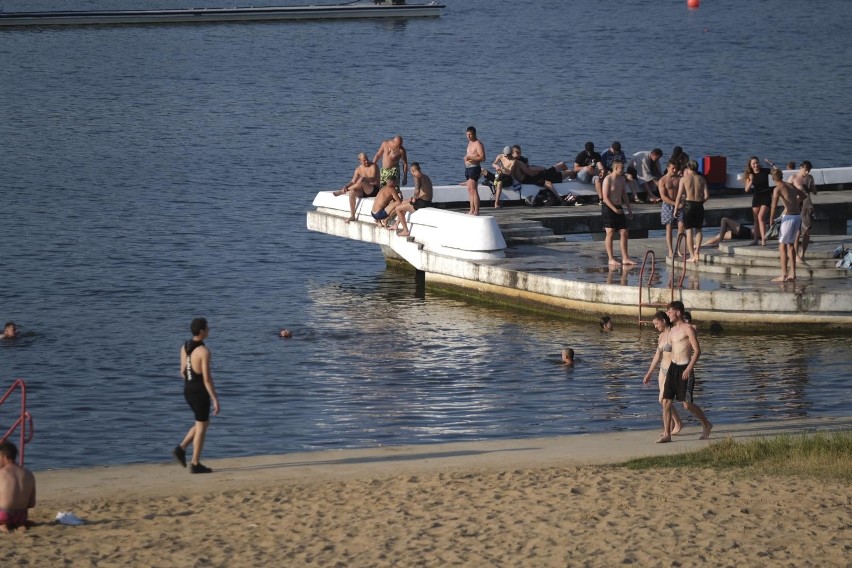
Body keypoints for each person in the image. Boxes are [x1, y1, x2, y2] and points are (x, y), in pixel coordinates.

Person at [658, 301, 712, 443]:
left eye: (670, 311)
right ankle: (667, 434)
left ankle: (706, 424)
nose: (668, 313)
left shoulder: (688, 329)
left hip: (685, 368)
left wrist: (689, 368)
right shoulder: (672, 331)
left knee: (686, 405)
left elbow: (697, 351)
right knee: (666, 401)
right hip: (673, 369)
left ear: (678, 312)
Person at [173, 317, 220, 474]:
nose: (209, 330)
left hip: (187, 389)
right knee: (201, 426)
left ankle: (181, 449)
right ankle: (195, 463)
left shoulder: (185, 346)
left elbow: (182, 371)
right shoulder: (204, 352)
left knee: (202, 423)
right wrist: (215, 399)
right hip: (199, 392)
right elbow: (207, 378)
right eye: (207, 327)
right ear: (201, 331)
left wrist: (191, 382)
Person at [642, 311, 683, 438]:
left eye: (656, 323)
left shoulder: (673, 334)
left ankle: (674, 426)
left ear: (664, 321)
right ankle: (675, 424)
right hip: (662, 371)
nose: (655, 326)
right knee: (664, 401)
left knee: (663, 399)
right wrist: (649, 373)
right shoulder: (661, 336)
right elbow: (657, 356)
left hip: (671, 370)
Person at [769, 168, 807, 282]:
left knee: (782, 246)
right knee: (790, 245)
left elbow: (774, 206)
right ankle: (793, 274)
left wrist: (771, 219)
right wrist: (793, 203)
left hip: (789, 217)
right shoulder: (790, 185)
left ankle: (784, 275)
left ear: (773, 178)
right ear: (781, 176)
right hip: (797, 216)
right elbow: (803, 196)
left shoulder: (777, 189)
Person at [673, 160, 710, 262]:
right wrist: (700, 202)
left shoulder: (684, 179)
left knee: (689, 230)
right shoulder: (702, 179)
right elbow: (707, 196)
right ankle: (697, 252)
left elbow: (679, 196)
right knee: (698, 229)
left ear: (689, 169)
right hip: (698, 204)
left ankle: (692, 256)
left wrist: (676, 209)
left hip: (688, 205)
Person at [601, 160, 635, 266]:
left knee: (624, 232)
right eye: (622, 168)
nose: (623, 170)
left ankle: (625, 258)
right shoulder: (608, 179)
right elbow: (605, 198)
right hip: (608, 207)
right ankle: (611, 258)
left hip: (619, 207)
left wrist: (629, 209)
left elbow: (624, 194)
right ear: (615, 168)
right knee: (610, 232)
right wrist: (614, 209)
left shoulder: (621, 179)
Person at [334, 152, 380, 223]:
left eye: (367, 159)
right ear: (360, 161)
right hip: (363, 191)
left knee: (361, 180)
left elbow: (373, 178)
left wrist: (363, 178)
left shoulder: (373, 166)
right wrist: (346, 186)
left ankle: (342, 191)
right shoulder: (358, 169)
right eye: (364, 160)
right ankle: (352, 216)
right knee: (352, 192)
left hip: (374, 190)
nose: (366, 161)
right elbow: (353, 181)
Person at [0, 441, 36, 533]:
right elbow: (32, 503)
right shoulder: (29, 473)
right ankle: (20, 525)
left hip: (3, 514)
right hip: (22, 516)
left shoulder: (1, 473)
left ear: (5, 457)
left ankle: (3, 525)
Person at [388, 162, 432, 237]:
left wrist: (414, 199)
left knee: (398, 209)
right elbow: (426, 191)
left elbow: (417, 190)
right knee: (402, 203)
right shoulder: (425, 176)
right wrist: (413, 199)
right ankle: (396, 225)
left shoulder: (416, 177)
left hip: (422, 203)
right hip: (427, 200)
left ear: (412, 170)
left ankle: (406, 230)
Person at [787, 160, 817, 259]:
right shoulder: (794, 177)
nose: (807, 172)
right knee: (797, 232)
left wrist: (810, 188)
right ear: (801, 168)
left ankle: (803, 253)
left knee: (806, 232)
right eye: (806, 170)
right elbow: (786, 191)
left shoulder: (810, 178)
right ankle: (796, 255)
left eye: (809, 170)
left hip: (806, 206)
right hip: (796, 206)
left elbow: (815, 191)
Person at [743, 156, 772, 246]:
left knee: (761, 217)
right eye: (754, 164)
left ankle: (763, 239)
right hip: (757, 196)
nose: (756, 165)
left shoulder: (765, 171)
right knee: (756, 220)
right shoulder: (750, 174)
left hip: (766, 195)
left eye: (757, 163)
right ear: (751, 166)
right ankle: (756, 239)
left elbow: (778, 172)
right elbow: (746, 189)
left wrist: (771, 164)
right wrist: (751, 180)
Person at [658, 160, 684, 257]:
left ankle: (678, 249)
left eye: (676, 168)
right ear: (668, 168)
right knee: (669, 227)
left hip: (679, 204)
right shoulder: (663, 180)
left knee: (681, 226)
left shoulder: (680, 179)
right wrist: (675, 204)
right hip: (668, 205)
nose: (674, 170)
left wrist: (681, 202)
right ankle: (670, 250)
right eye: (672, 168)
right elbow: (663, 196)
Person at [463, 126, 485, 216]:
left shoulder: (478, 143)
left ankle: (476, 211)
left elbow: (482, 157)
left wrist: (470, 157)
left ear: (474, 134)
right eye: (467, 135)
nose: (468, 136)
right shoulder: (469, 143)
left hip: (474, 168)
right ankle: (471, 210)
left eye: (470, 135)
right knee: (470, 190)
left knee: (473, 190)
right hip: (468, 168)